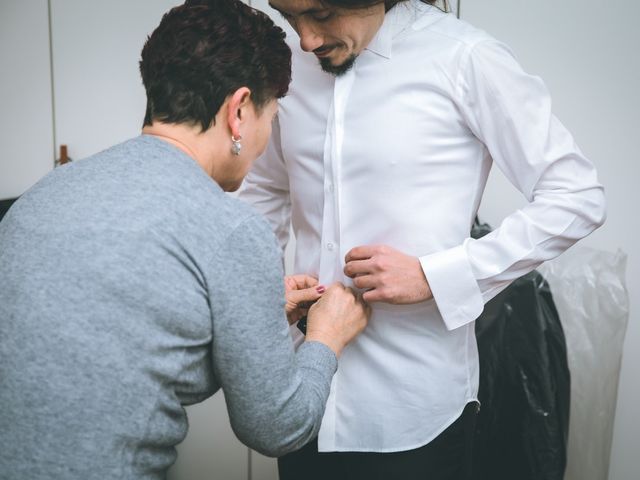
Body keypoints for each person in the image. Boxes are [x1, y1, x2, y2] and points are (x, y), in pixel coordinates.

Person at [0, 1, 370, 479]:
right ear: (239, 112)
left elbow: (112, 346)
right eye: (270, 117)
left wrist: (251, 313)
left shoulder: (46, 191)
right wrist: (326, 338)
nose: (265, 141)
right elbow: (276, 428)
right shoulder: (231, 228)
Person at [237, 0, 607, 479]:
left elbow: (577, 195)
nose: (307, 39)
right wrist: (262, 292)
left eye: (323, 15)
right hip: (304, 394)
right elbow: (266, 188)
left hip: (414, 413)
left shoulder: (465, 58)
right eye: (290, 17)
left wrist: (439, 276)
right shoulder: (289, 64)